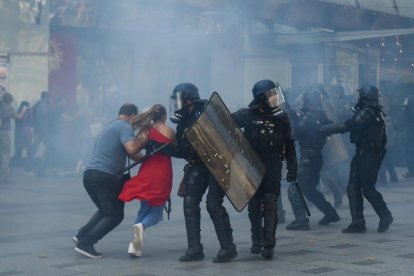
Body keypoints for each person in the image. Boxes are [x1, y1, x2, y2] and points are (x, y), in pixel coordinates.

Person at [163, 83, 237, 263]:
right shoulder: (182, 121)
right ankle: (194, 248)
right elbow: (183, 150)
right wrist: (163, 149)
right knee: (189, 201)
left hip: (219, 162)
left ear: (188, 99)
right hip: (199, 164)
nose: (177, 104)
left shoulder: (207, 111)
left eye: (179, 99)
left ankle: (228, 248)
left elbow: (227, 136)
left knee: (213, 203)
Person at [232, 79, 297, 259]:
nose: (275, 98)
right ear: (262, 97)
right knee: (253, 206)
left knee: (270, 203)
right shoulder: (246, 116)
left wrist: (292, 167)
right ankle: (257, 239)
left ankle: (269, 244)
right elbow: (226, 125)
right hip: (252, 166)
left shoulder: (280, 117)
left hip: (272, 166)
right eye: (272, 94)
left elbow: (289, 144)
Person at [73, 103, 148, 259]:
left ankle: (82, 235)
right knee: (115, 214)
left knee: (105, 210)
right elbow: (132, 149)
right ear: (132, 115)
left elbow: (133, 155)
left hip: (90, 175)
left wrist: (148, 159)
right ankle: (86, 243)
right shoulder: (124, 127)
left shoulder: (110, 126)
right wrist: (144, 138)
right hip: (104, 176)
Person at [321, 85, 393, 233]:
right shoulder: (376, 111)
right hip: (364, 153)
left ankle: (385, 215)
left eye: (360, 95)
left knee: (367, 189)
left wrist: (325, 129)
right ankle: (358, 222)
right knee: (353, 187)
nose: (357, 97)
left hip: (368, 155)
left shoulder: (368, 112)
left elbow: (351, 125)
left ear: (365, 97)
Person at [118, 104, 175, 257]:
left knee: (144, 209)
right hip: (163, 172)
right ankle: (141, 227)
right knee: (156, 214)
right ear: (163, 116)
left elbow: (134, 149)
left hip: (147, 170)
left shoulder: (146, 130)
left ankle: (134, 246)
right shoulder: (170, 131)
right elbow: (178, 149)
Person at [285, 89, 340, 231]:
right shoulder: (320, 115)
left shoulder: (307, 118)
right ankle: (330, 213)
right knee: (309, 189)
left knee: (294, 189)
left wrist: (293, 120)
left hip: (308, 158)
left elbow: (295, 133)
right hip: (316, 157)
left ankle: (301, 220)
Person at [0, 93, 27, 182]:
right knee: (5, 155)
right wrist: (23, 110)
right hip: (3, 132)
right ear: (10, 101)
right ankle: (4, 176)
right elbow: (19, 117)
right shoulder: (8, 108)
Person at [12, 101, 35, 175]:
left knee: (27, 152)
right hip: (22, 136)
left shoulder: (26, 113)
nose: (28, 109)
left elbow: (30, 123)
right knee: (21, 152)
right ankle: (26, 170)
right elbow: (20, 120)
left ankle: (27, 170)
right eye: (27, 107)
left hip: (24, 136)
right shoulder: (20, 112)